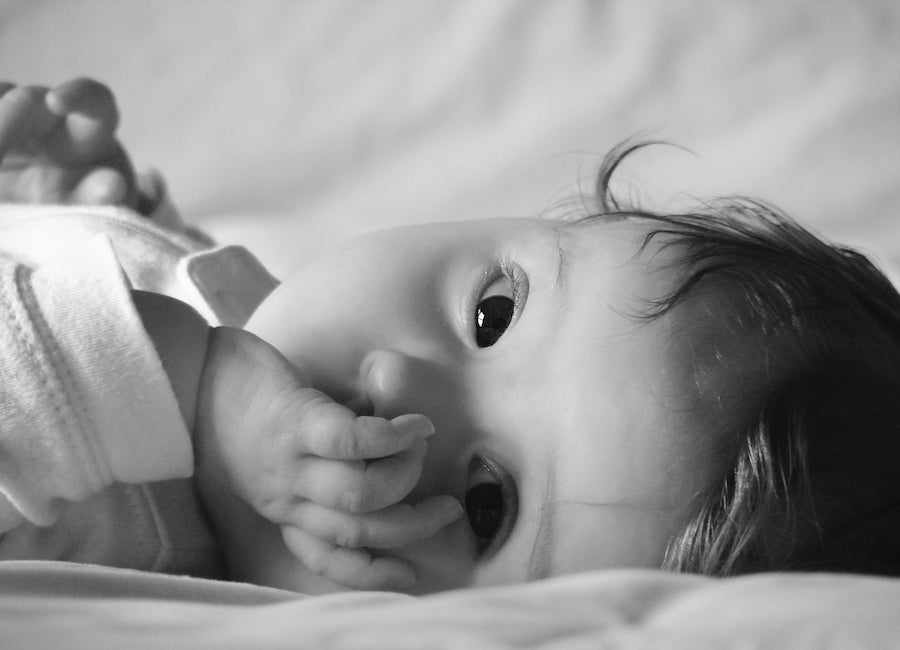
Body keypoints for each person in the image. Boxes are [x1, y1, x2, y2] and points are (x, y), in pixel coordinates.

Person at [1, 78, 898, 596]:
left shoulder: (125, 551)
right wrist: (87, 208)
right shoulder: (260, 319)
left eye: (486, 508)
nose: (398, 391)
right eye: (492, 314)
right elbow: (152, 290)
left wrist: (198, 396)